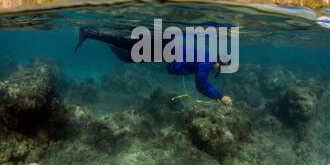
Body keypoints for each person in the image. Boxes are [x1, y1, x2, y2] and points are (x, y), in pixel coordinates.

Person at [75, 26, 232, 107]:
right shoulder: (207, 62)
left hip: (167, 51)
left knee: (129, 56)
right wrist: (219, 96)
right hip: (167, 49)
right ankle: (88, 32)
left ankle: (106, 39)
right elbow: (201, 85)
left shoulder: (208, 60)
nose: (219, 71)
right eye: (221, 68)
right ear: (218, 62)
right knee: (129, 46)